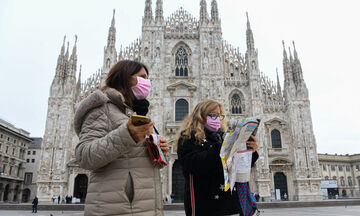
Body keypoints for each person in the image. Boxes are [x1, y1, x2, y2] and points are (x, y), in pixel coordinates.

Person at [74, 60, 169, 216]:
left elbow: (134, 159)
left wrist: (160, 150)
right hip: (115, 207)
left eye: (148, 78)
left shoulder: (139, 112)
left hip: (145, 207)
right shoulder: (102, 108)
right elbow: (84, 156)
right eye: (142, 77)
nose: (147, 82)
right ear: (125, 78)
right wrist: (127, 135)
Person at [176, 99, 259, 216]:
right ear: (200, 116)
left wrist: (249, 151)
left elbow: (236, 168)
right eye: (212, 115)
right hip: (205, 206)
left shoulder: (223, 136)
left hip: (231, 205)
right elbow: (194, 165)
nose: (217, 119)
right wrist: (222, 147)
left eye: (219, 116)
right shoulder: (188, 138)